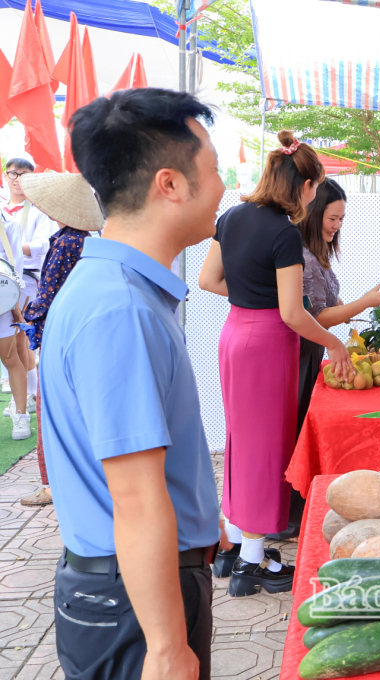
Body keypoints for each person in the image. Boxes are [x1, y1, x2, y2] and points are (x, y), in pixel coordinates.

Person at [42, 88, 224, 680]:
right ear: (169, 184)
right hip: (134, 604)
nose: (225, 188)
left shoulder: (121, 287)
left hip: (136, 588)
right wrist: (168, 648)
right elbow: (136, 497)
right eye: (215, 171)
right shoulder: (120, 308)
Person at [198, 130, 354, 598]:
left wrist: (250, 299)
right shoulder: (284, 234)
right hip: (268, 343)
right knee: (267, 448)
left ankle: (242, 548)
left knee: (241, 443)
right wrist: (334, 344)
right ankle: (252, 564)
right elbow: (292, 313)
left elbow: (209, 279)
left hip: (233, 335)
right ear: (305, 187)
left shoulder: (232, 217)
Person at [286, 180, 380, 535]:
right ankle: (290, 515)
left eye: (342, 219)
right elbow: (315, 317)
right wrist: (365, 303)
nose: (337, 226)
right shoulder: (300, 257)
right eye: (333, 217)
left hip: (313, 352)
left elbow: (326, 312)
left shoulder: (317, 256)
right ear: (314, 214)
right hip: (300, 351)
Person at [16, 173, 104, 508]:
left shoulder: (66, 243)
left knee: (49, 409)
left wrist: (29, 316)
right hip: (78, 330)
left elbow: (49, 294)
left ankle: (52, 484)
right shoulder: (81, 239)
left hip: (59, 331)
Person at [0, 161, 33, 441]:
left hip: (2, 301)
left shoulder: (7, 224)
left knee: (11, 357)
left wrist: (17, 306)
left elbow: (15, 268)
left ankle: (21, 417)